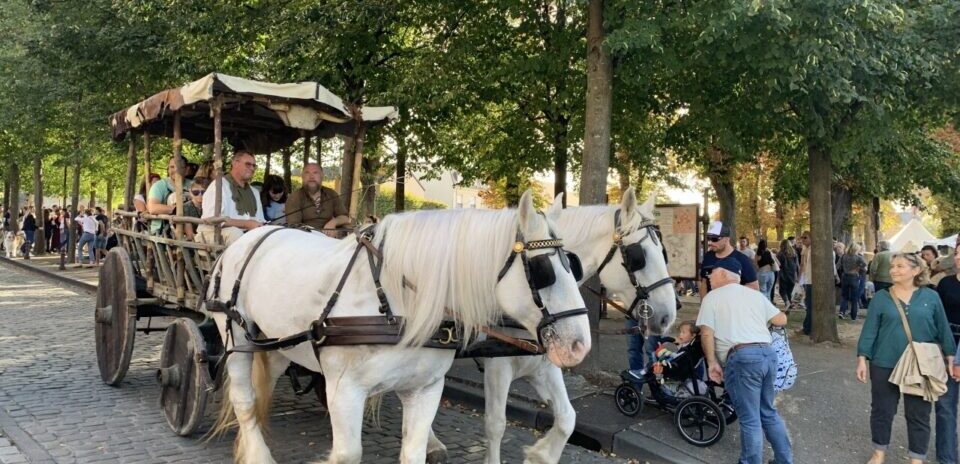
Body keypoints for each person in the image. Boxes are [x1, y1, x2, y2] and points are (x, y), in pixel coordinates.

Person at [857, 252, 956, 464]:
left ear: (916, 270)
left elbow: (942, 327)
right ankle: (878, 453)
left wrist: (949, 354)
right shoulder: (882, 298)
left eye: (900, 266)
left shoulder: (931, 297)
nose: (893, 270)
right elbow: (870, 330)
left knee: (918, 413)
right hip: (885, 361)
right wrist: (862, 358)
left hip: (921, 364)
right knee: (882, 410)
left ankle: (916, 459)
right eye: (893, 266)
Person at [697, 257, 792, 464]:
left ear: (723, 274)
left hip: (742, 359)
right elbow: (781, 320)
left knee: (750, 418)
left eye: (711, 273)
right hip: (767, 355)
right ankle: (784, 460)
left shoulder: (712, 298)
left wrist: (712, 362)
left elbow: (706, 333)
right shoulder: (754, 295)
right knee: (768, 412)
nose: (709, 277)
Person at [199, 150, 264, 245]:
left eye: (254, 166)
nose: (252, 168)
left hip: (247, 234)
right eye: (248, 164)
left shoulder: (254, 192)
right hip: (214, 233)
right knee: (235, 233)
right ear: (235, 163)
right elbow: (212, 219)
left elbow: (260, 220)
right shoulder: (219, 186)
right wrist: (246, 224)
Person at [285, 163, 350, 237]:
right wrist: (320, 234)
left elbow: (345, 218)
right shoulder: (294, 197)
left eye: (315, 173)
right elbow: (294, 227)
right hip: (304, 240)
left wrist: (333, 223)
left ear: (322, 176)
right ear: (302, 177)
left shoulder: (331, 194)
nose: (311, 176)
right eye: (307, 173)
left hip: (331, 240)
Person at [938, 245, 960, 464]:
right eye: (957, 254)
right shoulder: (946, 284)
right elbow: (939, 320)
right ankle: (947, 457)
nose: (959, 258)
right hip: (947, 347)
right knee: (945, 407)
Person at [698, 221, 759, 295]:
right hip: (712, 305)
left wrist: (731, 294)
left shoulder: (742, 260)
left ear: (727, 239)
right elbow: (704, 282)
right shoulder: (708, 256)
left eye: (714, 239)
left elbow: (754, 287)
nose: (710, 242)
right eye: (708, 238)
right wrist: (704, 304)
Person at [147, 157, 187, 235]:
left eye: (179, 167)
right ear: (168, 169)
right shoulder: (159, 185)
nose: (175, 170)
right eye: (172, 167)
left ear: (186, 169)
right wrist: (177, 209)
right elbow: (152, 208)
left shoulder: (192, 185)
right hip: (162, 231)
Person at [839, 242, 868, 320]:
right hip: (854, 277)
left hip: (845, 277)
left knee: (844, 296)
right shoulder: (858, 258)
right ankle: (853, 315)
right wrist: (858, 268)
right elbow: (865, 268)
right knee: (854, 297)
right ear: (856, 249)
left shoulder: (843, 256)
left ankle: (842, 312)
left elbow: (838, 266)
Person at [183, 177, 208, 241]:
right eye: (196, 192)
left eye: (203, 192)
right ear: (190, 192)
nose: (200, 195)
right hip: (195, 241)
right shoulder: (186, 207)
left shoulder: (210, 206)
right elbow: (190, 234)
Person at [777, 239, 800, 310]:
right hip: (792, 274)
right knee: (789, 291)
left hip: (783, 274)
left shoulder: (780, 254)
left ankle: (787, 302)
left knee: (782, 290)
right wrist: (798, 274)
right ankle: (789, 303)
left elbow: (778, 265)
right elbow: (797, 265)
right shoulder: (794, 253)